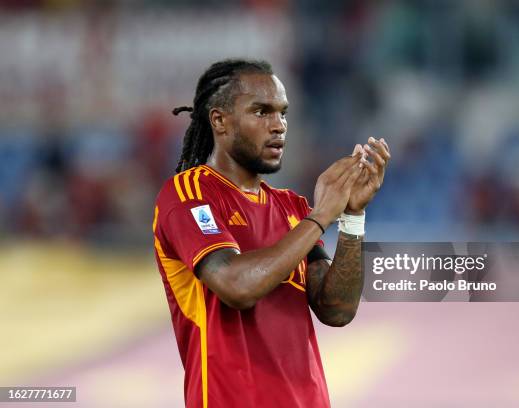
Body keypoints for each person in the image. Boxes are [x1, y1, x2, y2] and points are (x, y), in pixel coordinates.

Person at [152, 58, 390, 408]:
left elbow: (336, 310)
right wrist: (323, 214)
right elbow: (237, 286)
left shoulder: (291, 208)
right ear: (219, 120)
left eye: (283, 113)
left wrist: (352, 216)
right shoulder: (188, 195)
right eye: (261, 112)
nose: (278, 126)